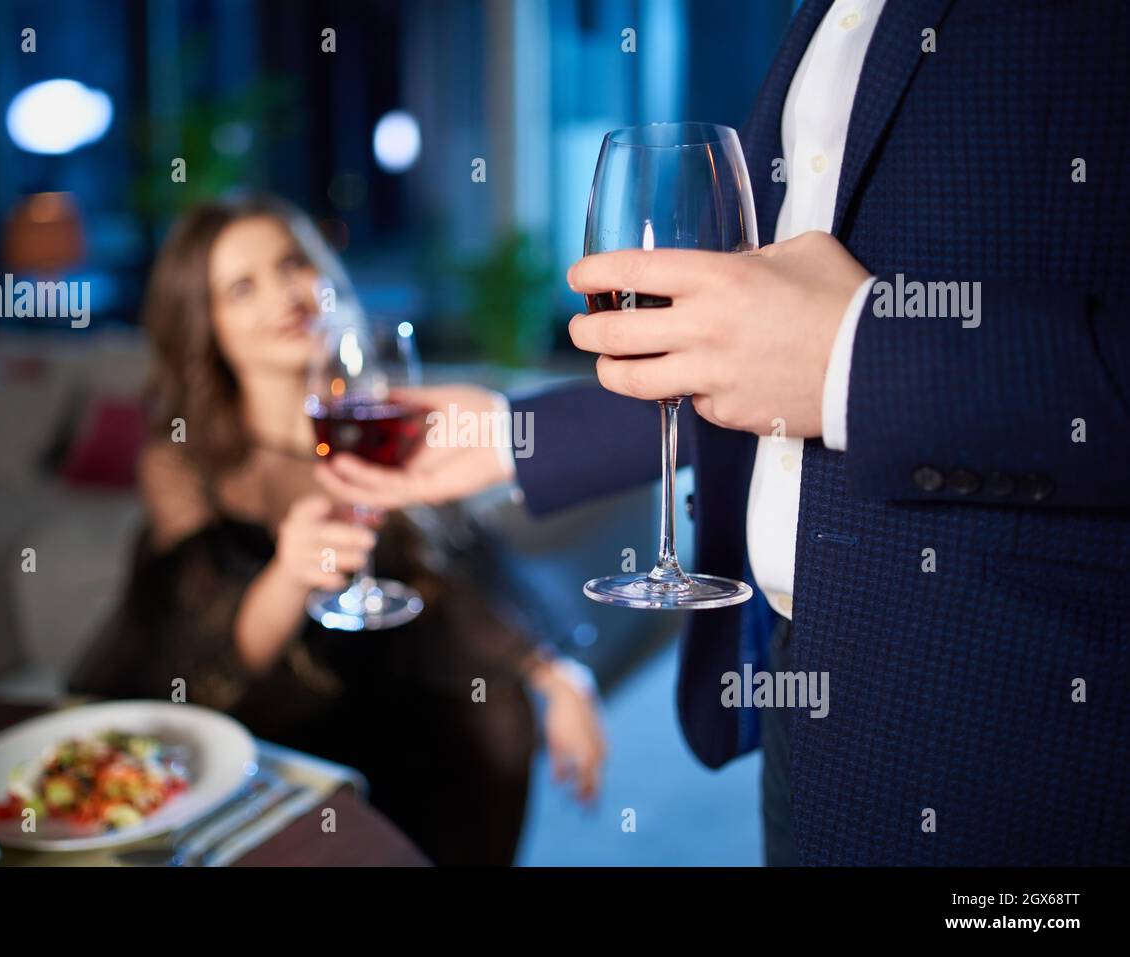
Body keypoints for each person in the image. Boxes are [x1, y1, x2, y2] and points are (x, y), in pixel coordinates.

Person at [316, 0, 1130, 865]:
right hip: (806, 699)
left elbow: (823, 354)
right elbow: (759, 356)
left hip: (1034, 735)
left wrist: (858, 352)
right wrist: (510, 436)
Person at [69, 195, 606, 866]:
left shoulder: (380, 417)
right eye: (242, 287)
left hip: (393, 687)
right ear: (204, 325)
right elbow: (217, 659)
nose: (284, 294)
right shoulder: (179, 459)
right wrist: (292, 572)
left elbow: (447, 578)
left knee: (490, 713)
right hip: (271, 712)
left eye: (292, 263)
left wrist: (558, 676)